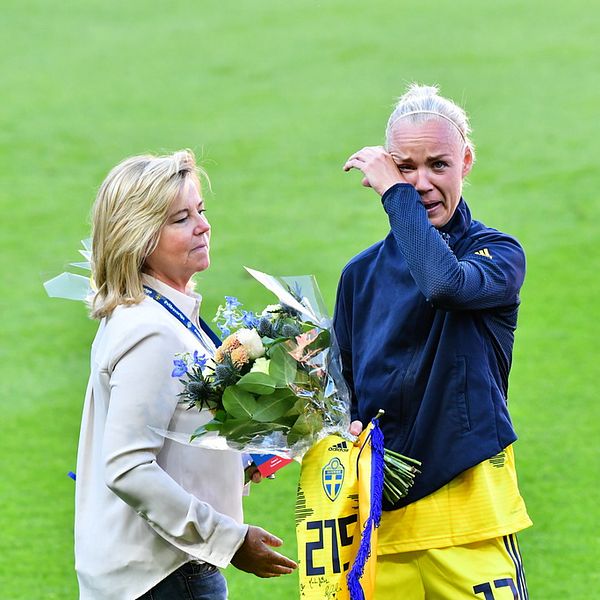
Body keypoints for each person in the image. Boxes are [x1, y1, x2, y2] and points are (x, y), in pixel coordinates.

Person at [334, 84, 532, 598]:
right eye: (405, 168)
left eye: (438, 165)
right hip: (383, 531)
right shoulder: (358, 276)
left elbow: (443, 284)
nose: (420, 183)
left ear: (466, 161)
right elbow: (346, 391)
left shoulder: (496, 253)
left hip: (472, 522)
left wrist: (395, 195)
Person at [74, 150, 297, 600]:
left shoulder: (159, 314)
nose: (203, 225)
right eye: (180, 218)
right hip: (164, 578)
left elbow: (169, 435)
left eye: (201, 211)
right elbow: (129, 467)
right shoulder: (152, 331)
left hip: (159, 573)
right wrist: (229, 541)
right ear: (137, 237)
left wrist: (240, 459)